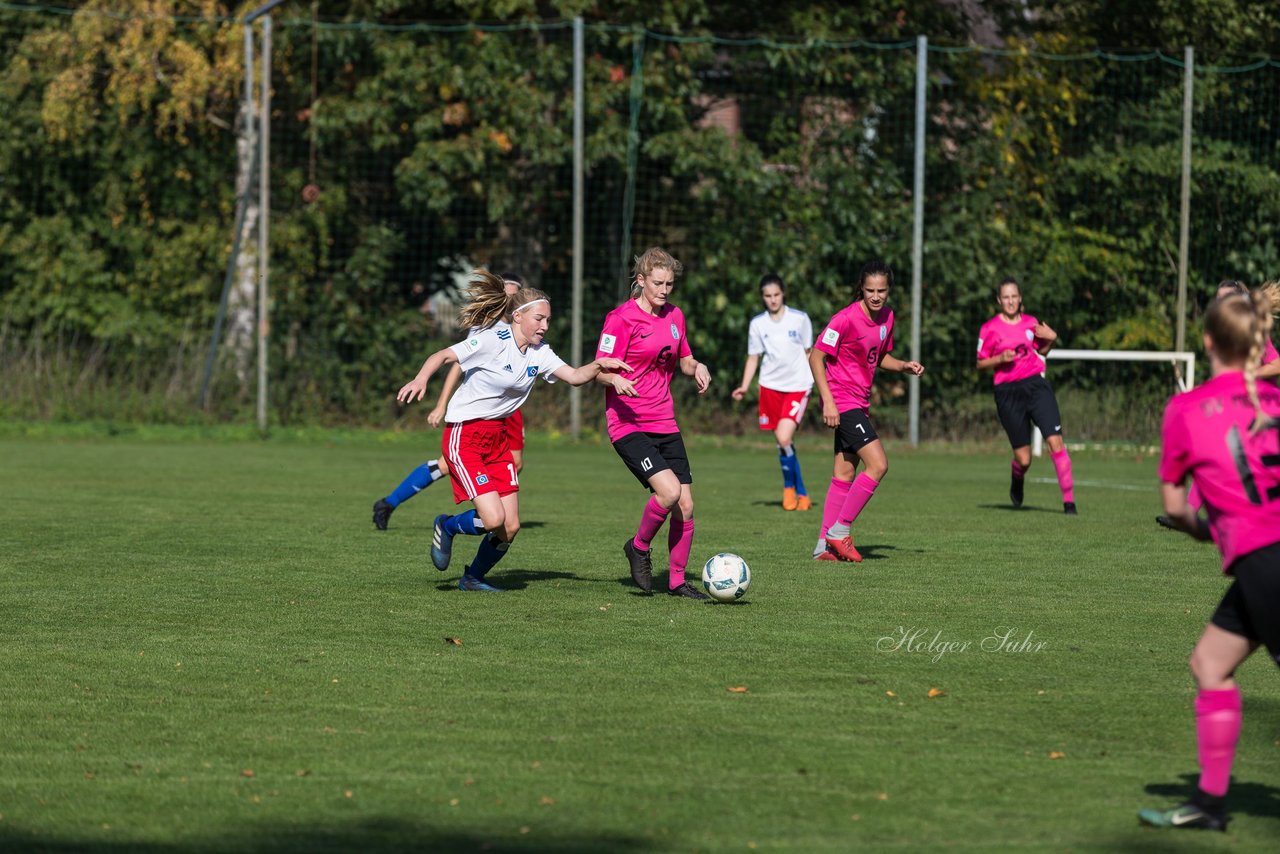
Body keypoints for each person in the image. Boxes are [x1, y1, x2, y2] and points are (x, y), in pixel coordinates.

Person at [1137, 287, 1280, 832]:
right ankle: (1209, 804)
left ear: (1207, 341)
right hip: (1262, 567)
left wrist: (1208, 528)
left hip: (1266, 563)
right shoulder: (1276, 402)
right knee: (1210, 664)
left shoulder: (1187, 408)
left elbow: (1175, 508)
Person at [396, 270, 633, 591]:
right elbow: (444, 355)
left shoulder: (540, 352)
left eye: (548, 320)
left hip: (498, 439)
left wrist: (601, 365)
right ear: (518, 316)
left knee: (510, 527)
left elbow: (576, 376)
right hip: (464, 435)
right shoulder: (493, 340)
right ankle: (448, 526)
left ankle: (472, 578)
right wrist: (421, 378)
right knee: (493, 520)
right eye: (539, 319)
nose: (545, 326)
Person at [596, 247, 713, 599]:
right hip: (628, 423)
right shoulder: (620, 318)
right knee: (669, 492)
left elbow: (685, 359)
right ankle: (639, 546)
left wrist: (699, 367)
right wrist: (614, 380)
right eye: (658, 283)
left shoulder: (676, 316)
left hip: (665, 421)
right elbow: (599, 368)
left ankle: (677, 582)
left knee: (687, 505)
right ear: (641, 281)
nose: (664, 290)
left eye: (670, 284)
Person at [372, 273, 528, 530]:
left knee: (516, 462)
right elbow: (457, 364)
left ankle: (490, 505)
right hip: (480, 410)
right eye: (507, 295)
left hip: (508, 411)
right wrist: (441, 404)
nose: (510, 301)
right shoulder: (485, 328)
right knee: (447, 465)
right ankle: (390, 503)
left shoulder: (526, 328)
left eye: (515, 296)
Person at [809, 260, 924, 562]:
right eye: (870, 290)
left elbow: (879, 355)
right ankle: (839, 531)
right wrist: (828, 400)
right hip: (842, 400)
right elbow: (816, 357)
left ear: (888, 290)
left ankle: (823, 547)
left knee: (845, 473)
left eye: (881, 291)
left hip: (859, 401)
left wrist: (903, 366)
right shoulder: (844, 319)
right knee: (879, 464)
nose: (876, 296)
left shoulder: (888, 317)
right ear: (861, 288)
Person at [1155, 279, 1280, 530]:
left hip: (1265, 410)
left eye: (1225, 298)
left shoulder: (1252, 332)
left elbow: (1277, 364)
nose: (1219, 303)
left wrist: (1247, 376)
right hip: (1244, 409)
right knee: (1215, 454)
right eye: (1218, 298)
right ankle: (1188, 512)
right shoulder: (1229, 336)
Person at [975, 277, 1076, 514]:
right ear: (999, 300)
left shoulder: (1031, 323)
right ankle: (1017, 476)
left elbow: (1043, 350)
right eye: (1006, 297)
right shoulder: (989, 328)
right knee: (1024, 459)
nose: (1010, 301)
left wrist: (1051, 338)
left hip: (1035, 386)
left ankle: (1069, 503)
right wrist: (1000, 359)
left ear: (1020, 299)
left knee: (1055, 441)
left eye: (1014, 296)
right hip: (1008, 393)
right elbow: (980, 363)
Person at [731, 273, 815, 511]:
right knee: (782, 442)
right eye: (768, 296)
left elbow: (810, 353)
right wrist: (745, 386)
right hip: (769, 386)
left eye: (776, 294)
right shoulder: (758, 324)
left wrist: (822, 384)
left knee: (784, 437)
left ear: (783, 293)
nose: (773, 300)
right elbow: (753, 357)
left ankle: (790, 488)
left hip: (798, 386)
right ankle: (802, 493)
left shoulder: (799, 319)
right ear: (763, 298)